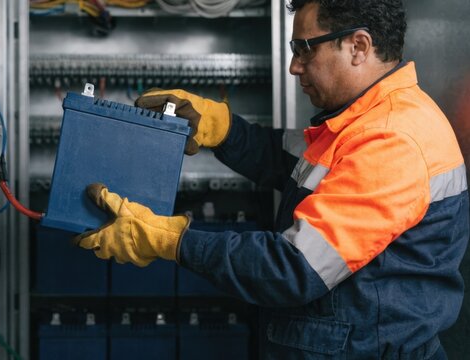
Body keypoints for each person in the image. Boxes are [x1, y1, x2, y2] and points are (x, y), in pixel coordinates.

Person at [74, 0, 469, 358]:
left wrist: (170, 240)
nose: (295, 66)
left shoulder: (391, 140)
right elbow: (286, 161)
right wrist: (218, 126)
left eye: (304, 49)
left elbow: (293, 269)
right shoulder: (365, 123)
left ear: (359, 46)